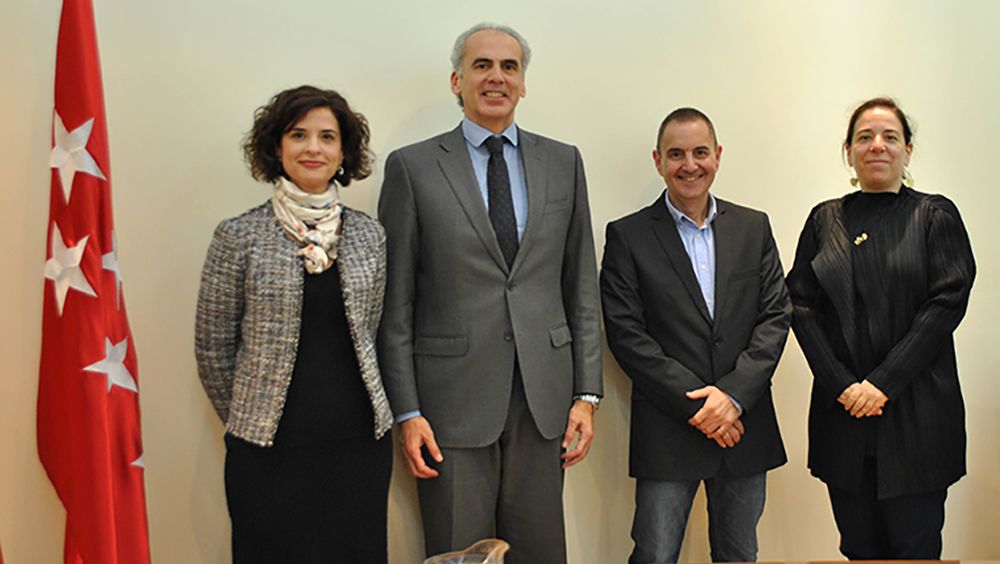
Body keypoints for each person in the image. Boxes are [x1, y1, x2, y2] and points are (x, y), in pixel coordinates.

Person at [377, 22, 603, 564]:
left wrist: (587, 395)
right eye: (482, 65)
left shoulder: (564, 162)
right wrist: (406, 411)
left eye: (509, 67)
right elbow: (396, 305)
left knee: (540, 552)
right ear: (457, 81)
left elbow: (581, 286)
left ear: (523, 82)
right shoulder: (412, 167)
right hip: (450, 406)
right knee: (458, 553)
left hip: (544, 399)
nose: (496, 77)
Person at [194, 85, 393, 564]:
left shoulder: (369, 235)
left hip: (359, 444)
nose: (313, 148)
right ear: (276, 147)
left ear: (342, 152)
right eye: (298, 135)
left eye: (327, 137)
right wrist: (251, 413)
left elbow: (373, 331)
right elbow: (213, 348)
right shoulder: (238, 235)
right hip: (267, 450)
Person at [786, 97, 976, 559]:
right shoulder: (824, 219)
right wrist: (843, 385)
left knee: (916, 548)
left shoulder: (934, 215)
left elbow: (946, 302)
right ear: (848, 151)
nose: (877, 146)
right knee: (858, 548)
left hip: (919, 417)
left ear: (907, 150)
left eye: (890, 137)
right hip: (843, 416)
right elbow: (800, 305)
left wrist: (881, 384)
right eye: (864, 137)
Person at [601, 108, 791, 563]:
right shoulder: (627, 236)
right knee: (655, 555)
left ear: (718, 155)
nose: (690, 165)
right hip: (669, 428)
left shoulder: (753, 227)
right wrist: (704, 408)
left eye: (700, 152)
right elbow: (627, 336)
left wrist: (733, 397)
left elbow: (775, 317)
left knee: (739, 554)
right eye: (676, 154)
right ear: (658, 160)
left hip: (744, 425)